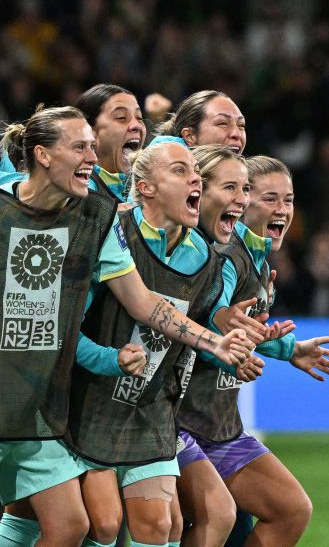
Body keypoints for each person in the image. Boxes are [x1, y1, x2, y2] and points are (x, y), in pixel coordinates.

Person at [0, 107, 251, 545]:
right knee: (83, 522)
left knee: (74, 525)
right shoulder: (4, 206)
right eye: (80, 147)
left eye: (93, 148)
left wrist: (215, 341)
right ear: (41, 154)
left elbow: (143, 303)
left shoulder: (98, 220)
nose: (93, 160)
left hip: (38, 403)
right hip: (47, 399)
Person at [176, 148, 329, 546]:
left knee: (291, 510)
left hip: (220, 425)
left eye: (288, 199)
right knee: (215, 518)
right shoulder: (226, 256)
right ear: (244, 203)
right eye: (269, 198)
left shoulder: (259, 261)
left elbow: (245, 326)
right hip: (184, 425)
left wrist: (287, 348)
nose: (282, 208)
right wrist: (231, 352)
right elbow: (215, 320)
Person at [74, 83, 146, 203]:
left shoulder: (150, 187)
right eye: (121, 117)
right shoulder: (72, 192)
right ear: (89, 132)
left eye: (139, 118)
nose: (137, 125)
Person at [153, 90, 246, 154]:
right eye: (222, 123)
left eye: (241, 125)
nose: (237, 134)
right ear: (190, 136)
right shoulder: (164, 178)